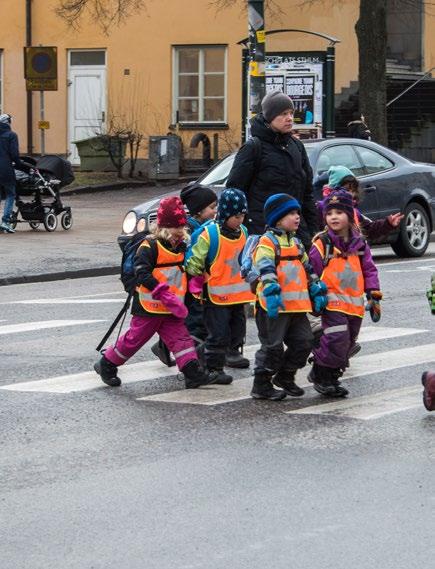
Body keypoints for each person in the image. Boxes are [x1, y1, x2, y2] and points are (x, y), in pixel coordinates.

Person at [94, 196, 212, 389]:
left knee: (181, 339)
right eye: (175, 232)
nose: (179, 236)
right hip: (150, 306)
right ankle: (107, 364)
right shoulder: (149, 247)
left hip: (172, 307)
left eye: (182, 232)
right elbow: (142, 274)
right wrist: (163, 293)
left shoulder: (181, 247)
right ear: (163, 228)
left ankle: (192, 374)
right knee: (134, 340)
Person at [250, 194, 327, 401]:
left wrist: (316, 288)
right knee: (272, 348)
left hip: (296, 306)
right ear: (277, 218)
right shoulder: (267, 242)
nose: (297, 217)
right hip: (273, 307)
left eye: (297, 213)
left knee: (304, 342)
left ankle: (285, 376)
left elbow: (307, 268)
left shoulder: (296, 243)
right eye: (291, 213)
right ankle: (261, 384)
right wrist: (272, 290)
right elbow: (265, 266)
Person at [308, 190, 381, 397]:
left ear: (350, 216)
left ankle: (332, 375)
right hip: (331, 303)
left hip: (354, 304)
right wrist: (313, 291)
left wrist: (373, 294)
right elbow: (311, 268)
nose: (334, 217)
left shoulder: (360, 244)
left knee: (348, 342)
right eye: (330, 213)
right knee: (336, 338)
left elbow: (369, 269)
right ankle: (323, 376)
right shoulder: (322, 242)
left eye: (339, 212)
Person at [226, 91, 318, 251]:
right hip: (262, 231)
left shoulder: (297, 147)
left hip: (296, 231)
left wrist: (313, 231)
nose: (289, 118)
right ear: (270, 117)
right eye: (283, 114)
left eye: (291, 113)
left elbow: (307, 193)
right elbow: (235, 192)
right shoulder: (253, 147)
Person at [185, 188, 255, 384]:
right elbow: (195, 261)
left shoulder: (243, 232)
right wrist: (198, 274)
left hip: (238, 295)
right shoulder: (210, 234)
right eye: (236, 216)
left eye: (242, 215)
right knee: (218, 333)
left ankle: (227, 354)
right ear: (225, 214)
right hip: (214, 297)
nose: (240, 220)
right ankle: (213, 368)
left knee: (237, 330)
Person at [320, 165, 404, 240]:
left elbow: (368, 229)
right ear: (334, 189)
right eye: (347, 189)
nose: (351, 194)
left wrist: (388, 223)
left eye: (353, 190)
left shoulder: (354, 211)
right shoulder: (320, 208)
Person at [0, 113, 29, 233]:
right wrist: (20, 165)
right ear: (8, 122)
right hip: (5, 169)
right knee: (10, 194)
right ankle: (5, 222)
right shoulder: (11, 135)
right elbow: (14, 155)